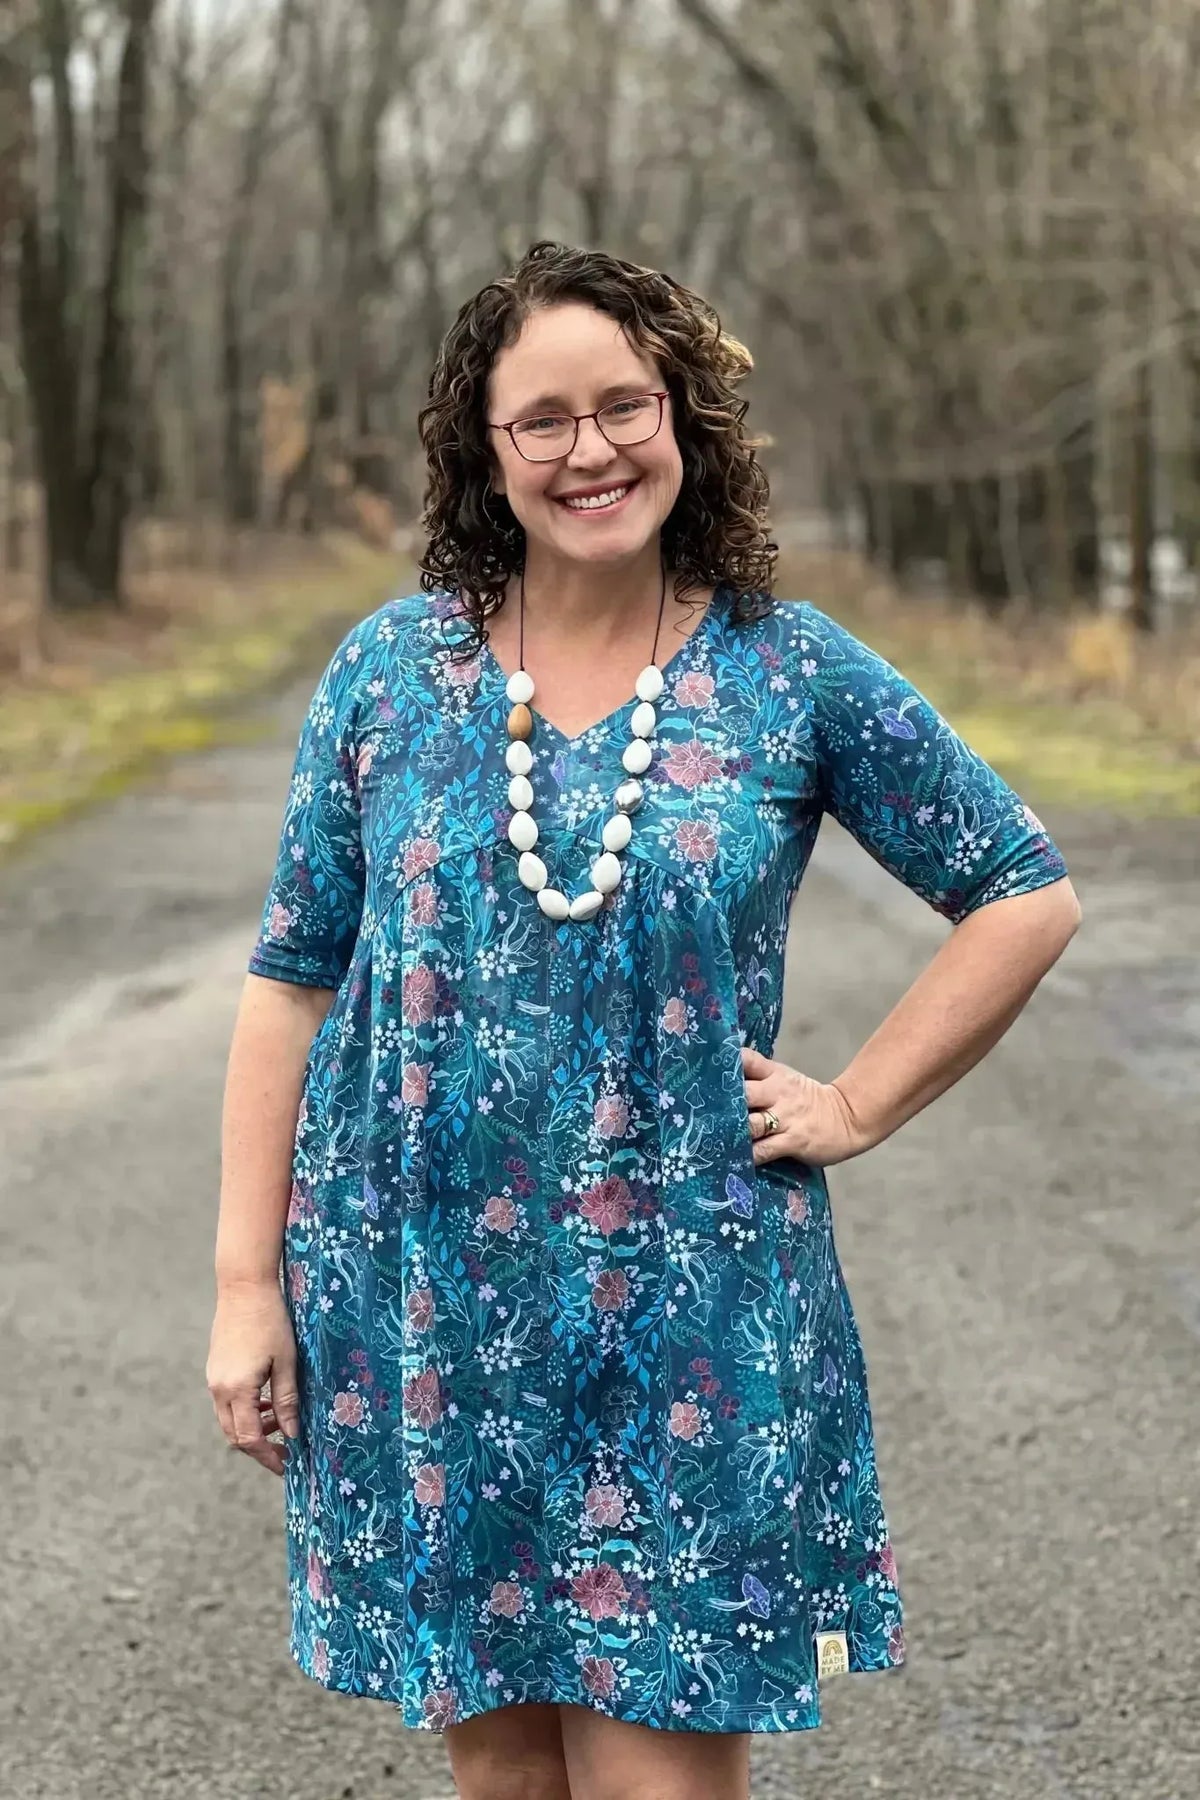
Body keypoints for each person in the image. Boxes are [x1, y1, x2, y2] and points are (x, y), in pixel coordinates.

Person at [207, 240, 1082, 1800]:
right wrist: (241, 1283)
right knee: (503, 1779)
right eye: (541, 419)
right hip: (430, 1315)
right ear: (485, 453)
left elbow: (1022, 890)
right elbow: (291, 978)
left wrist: (859, 1101)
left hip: (687, 1328)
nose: (591, 448)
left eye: (626, 405)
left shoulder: (786, 672)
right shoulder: (389, 676)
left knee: (654, 1785)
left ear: (685, 416)